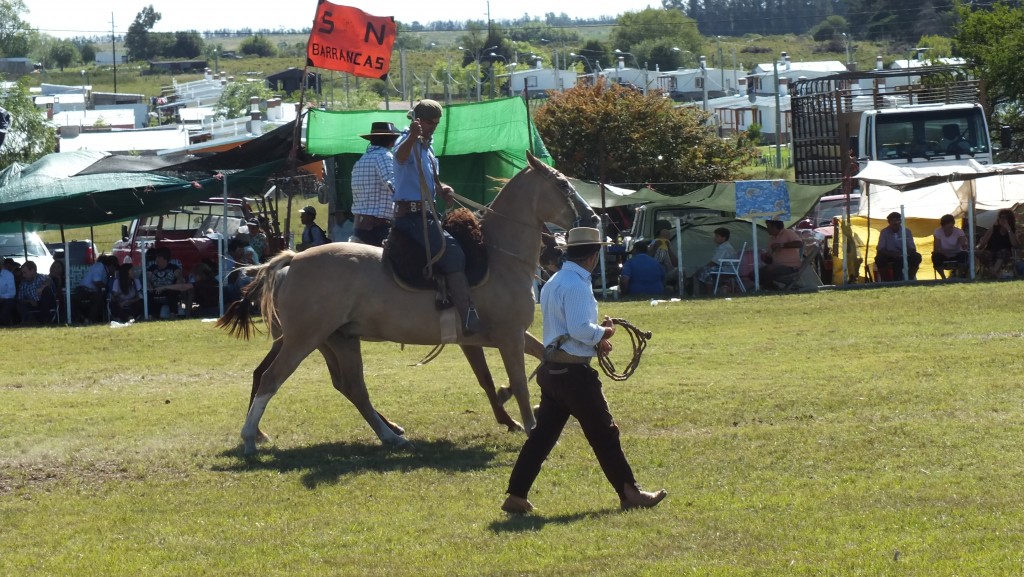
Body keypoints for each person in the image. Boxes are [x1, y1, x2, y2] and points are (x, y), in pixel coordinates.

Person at [502, 227, 667, 514]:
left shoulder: (555, 281)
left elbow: (566, 329)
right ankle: (630, 492)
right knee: (605, 434)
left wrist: (594, 343)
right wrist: (605, 332)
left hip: (553, 371)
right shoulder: (577, 285)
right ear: (593, 256)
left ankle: (516, 495)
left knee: (541, 439)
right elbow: (580, 328)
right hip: (575, 377)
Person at [393, 99, 483, 335]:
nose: (434, 126)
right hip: (412, 217)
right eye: (430, 122)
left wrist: (443, 188)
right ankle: (467, 317)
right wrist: (412, 137)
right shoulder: (407, 140)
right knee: (452, 253)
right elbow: (400, 157)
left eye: (436, 123)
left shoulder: (427, 147)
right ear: (417, 120)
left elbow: (431, 180)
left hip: (427, 213)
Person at [351, 121, 400, 246]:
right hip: (377, 228)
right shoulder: (384, 156)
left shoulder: (361, 160)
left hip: (360, 226)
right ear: (392, 141)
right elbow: (393, 185)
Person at [875, 212, 922, 280]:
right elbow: (881, 248)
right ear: (889, 222)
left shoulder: (906, 231)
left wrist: (904, 253)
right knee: (879, 258)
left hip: (904, 254)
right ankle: (885, 280)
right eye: (893, 220)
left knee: (917, 257)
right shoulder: (884, 232)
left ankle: (910, 277)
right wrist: (892, 254)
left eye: (897, 220)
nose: (895, 223)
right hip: (889, 255)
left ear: (900, 221)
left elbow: (912, 247)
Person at [759, 220, 804, 288]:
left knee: (769, 269)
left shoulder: (788, 232)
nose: (767, 229)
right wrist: (765, 258)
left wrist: (781, 245)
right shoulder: (771, 239)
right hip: (776, 266)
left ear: (774, 227)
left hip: (790, 266)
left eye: (768, 226)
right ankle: (774, 288)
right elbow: (770, 260)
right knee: (753, 275)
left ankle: (768, 289)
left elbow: (799, 244)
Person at [147, 247, 189, 318]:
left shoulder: (173, 268)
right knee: (148, 294)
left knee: (172, 292)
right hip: (155, 290)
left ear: (165, 259)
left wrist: (178, 280)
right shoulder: (152, 268)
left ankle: (173, 314)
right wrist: (149, 285)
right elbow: (147, 278)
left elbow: (179, 277)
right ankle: (150, 315)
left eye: (159, 257)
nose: (156, 260)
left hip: (169, 289)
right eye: (156, 257)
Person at [74, 254, 117, 323]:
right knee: (97, 297)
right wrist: (107, 288)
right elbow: (97, 282)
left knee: (99, 297)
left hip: (93, 292)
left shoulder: (106, 274)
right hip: (83, 289)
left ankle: (91, 319)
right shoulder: (100, 266)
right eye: (115, 268)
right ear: (111, 266)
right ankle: (84, 318)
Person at [976, 209, 1018, 278]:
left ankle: (993, 273)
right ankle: (994, 273)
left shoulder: (1013, 230)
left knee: (1002, 252)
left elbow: (1015, 245)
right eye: (1000, 217)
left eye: (1004, 218)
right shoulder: (993, 229)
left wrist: (1009, 230)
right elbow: (982, 243)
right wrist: (978, 247)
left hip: (1005, 254)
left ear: (1009, 219)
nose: (1002, 219)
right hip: (991, 252)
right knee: (985, 254)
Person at [931, 214, 969, 279]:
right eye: (947, 227)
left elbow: (964, 246)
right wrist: (943, 252)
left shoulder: (959, 232)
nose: (949, 229)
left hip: (956, 254)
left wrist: (964, 243)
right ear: (942, 226)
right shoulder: (937, 232)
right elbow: (936, 248)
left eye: (951, 227)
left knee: (964, 255)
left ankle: (960, 276)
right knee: (935, 256)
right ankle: (943, 277)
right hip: (943, 254)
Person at [14, 260, 48, 325]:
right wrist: (29, 301)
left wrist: (42, 287)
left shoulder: (41, 277)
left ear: (32, 271)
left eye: (25, 272)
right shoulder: (23, 283)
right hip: (31, 303)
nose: (23, 275)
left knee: (47, 290)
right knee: (18, 304)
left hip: (43, 302)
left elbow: (49, 280)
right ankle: (31, 320)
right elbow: (20, 299)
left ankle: (44, 319)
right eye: (22, 273)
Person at [0, 258, 18, 325]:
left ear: (1, 265)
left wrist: (1, 298)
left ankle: (4, 323)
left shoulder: (8, 275)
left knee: (10, 302)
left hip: (5, 300)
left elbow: (12, 293)